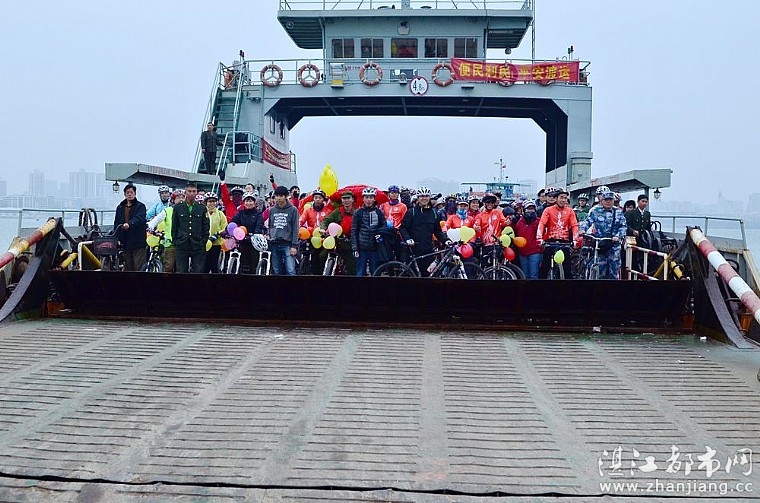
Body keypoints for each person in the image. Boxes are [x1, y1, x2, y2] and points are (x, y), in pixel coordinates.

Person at [400, 186, 447, 276]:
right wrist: (408, 238)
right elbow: (403, 228)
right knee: (412, 275)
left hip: (428, 249)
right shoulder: (411, 212)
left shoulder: (434, 213)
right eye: (422, 196)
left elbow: (437, 231)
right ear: (418, 198)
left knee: (427, 275)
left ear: (429, 198)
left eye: (426, 196)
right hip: (413, 248)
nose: (424, 198)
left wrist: (446, 240)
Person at [579, 190, 627, 279]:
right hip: (600, 244)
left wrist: (618, 236)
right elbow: (588, 221)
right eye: (606, 199)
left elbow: (623, 227)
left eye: (610, 199)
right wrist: (582, 229)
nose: (608, 202)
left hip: (613, 245)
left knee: (614, 271)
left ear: (613, 201)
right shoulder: (595, 211)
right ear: (601, 201)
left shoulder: (618, 212)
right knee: (600, 270)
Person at [536, 187, 578, 279]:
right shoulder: (548, 210)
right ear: (555, 198)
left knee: (567, 271)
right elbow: (542, 224)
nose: (563, 200)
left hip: (564, 242)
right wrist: (539, 238)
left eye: (565, 198)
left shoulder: (570, 211)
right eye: (561, 197)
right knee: (544, 268)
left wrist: (575, 239)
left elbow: (574, 225)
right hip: (550, 241)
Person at [172, 182, 210, 273]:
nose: (192, 193)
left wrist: (203, 241)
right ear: (185, 192)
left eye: (194, 191)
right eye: (189, 191)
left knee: (198, 271)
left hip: (197, 244)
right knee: (181, 271)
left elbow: (206, 226)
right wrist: (175, 241)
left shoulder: (202, 208)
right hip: (182, 244)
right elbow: (174, 226)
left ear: (196, 193)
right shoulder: (178, 207)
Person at [351, 187, 387, 276]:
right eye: (366, 197)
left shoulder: (379, 212)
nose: (368, 200)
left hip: (375, 248)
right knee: (360, 273)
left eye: (371, 197)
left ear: (374, 199)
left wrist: (380, 234)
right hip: (361, 248)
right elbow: (354, 231)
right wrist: (355, 248)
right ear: (363, 199)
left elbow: (384, 226)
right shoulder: (358, 213)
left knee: (375, 273)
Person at [320, 191, 357, 275]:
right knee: (322, 256)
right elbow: (326, 220)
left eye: (348, 198)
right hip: (336, 241)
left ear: (352, 199)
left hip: (350, 243)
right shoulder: (338, 211)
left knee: (351, 264)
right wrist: (322, 229)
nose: (346, 200)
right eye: (344, 198)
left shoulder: (357, 213)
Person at [147, 189, 183, 273]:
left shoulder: (188, 211)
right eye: (178, 197)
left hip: (183, 244)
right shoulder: (168, 211)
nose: (181, 199)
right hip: (170, 243)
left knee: (181, 268)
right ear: (173, 200)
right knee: (168, 267)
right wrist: (150, 226)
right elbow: (156, 220)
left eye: (182, 197)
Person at [113, 183, 147, 271]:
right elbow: (117, 223)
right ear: (124, 194)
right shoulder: (120, 207)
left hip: (138, 241)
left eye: (131, 192)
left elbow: (140, 218)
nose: (130, 194)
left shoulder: (140, 206)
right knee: (128, 266)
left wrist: (130, 224)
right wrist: (117, 238)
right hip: (125, 242)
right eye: (127, 193)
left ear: (135, 193)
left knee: (139, 266)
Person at [300, 189, 334, 274]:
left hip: (323, 238)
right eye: (316, 197)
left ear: (323, 199)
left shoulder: (328, 211)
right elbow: (301, 220)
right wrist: (298, 227)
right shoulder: (308, 210)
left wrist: (326, 232)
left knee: (321, 256)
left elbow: (331, 224)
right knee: (309, 254)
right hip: (311, 237)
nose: (318, 199)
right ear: (313, 199)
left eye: (320, 198)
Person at [267, 185, 299, 275]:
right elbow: (270, 225)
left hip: (287, 244)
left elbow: (295, 228)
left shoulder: (293, 210)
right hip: (274, 243)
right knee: (276, 270)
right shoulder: (272, 210)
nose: (278, 198)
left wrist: (294, 246)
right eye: (276, 196)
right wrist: (269, 235)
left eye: (281, 196)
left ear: (286, 196)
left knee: (290, 270)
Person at [232, 192, 265, 274]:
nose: (248, 203)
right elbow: (233, 222)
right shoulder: (241, 213)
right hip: (243, 241)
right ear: (244, 202)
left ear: (254, 202)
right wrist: (228, 230)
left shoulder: (258, 214)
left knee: (254, 265)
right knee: (244, 265)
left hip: (254, 242)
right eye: (247, 201)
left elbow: (259, 225)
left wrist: (255, 234)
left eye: (250, 201)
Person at [514, 200, 542, 279]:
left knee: (534, 276)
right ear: (524, 210)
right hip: (522, 253)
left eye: (532, 209)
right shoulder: (519, 222)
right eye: (528, 209)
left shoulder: (539, 221)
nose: (530, 211)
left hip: (535, 252)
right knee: (524, 276)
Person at [625, 194, 652, 273]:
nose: (644, 203)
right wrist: (632, 231)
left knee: (643, 256)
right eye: (642, 201)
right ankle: (631, 273)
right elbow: (626, 225)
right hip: (632, 239)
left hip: (643, 240)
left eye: (646, 202)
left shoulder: (647, 214)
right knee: (632, 258)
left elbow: (648, 227)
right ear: (638, 202)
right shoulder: (631, 213)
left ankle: (643, 272)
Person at [204, 192, 228, 273]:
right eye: (209, 201)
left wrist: (218, 234)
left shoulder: (220, 214)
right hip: (204, 243)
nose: (212, 203)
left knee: (214, 265)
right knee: (205, 266)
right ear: (206, 202)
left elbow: (224, 226)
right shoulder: (203, 213)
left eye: (213, 201)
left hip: (216, 243)